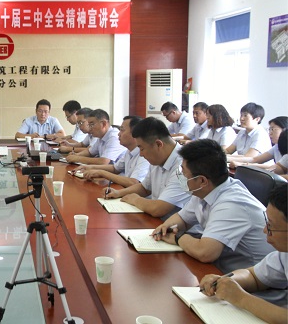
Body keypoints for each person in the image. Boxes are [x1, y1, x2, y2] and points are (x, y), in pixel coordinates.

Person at [152, 139, 274, 274]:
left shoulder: (231, 204)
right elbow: (183, 219)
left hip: (252, 277)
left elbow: (205, 253)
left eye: (184, 172)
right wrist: (165, 228)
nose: (181, 176)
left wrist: (178, 237)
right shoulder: (205, 190)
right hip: (223, 267)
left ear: (202, 180)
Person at [199, 184, 287, 323]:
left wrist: (241, 298)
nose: (265, 230)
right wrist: (225, 281)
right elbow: (254, 276)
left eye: (271, 226)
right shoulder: (284, 254)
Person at [105, 117, 191, 219]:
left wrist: (135, 199)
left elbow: (158, 209)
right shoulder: (158, 158)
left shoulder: (184, 167)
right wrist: (118, 193)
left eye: (142, 148)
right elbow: (145, 188)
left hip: (176, 227)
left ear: (158, 144)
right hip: (158, 222)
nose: (141, 154)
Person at [73, 115, 149, 187]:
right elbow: (115, 168)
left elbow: (134, 182)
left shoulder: (145, 155)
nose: (119, 134)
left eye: (122, 130)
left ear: (135, 133)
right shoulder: (129, 151)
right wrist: (88, 167)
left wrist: (101, 173)